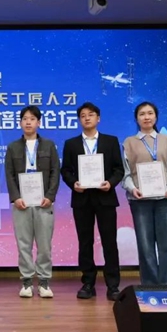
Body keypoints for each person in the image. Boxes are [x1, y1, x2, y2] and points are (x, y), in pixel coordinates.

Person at [60, 102, 123, 301]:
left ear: (98, 118)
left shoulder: (110, 141)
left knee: (109, 241)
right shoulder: (71, 144)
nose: (87, 118)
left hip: (105, 198)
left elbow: (119, 169)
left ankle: (113, 285)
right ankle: (88, 283)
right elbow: (66, 170)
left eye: (91, 114)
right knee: (85, 242)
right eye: (83, 115)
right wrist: (74, 183)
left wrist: (110, 183)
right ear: (79, 120)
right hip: (82, 199)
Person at [122, 102, 167, 286]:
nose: (146, 117)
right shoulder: (129, 142)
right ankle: (150, 286)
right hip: (140, 200)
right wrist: (133, 188)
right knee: (145, 246)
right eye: (142, 114)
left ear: (156, 117)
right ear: (136, 118)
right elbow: (126, 174)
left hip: (165, 199)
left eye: (150, 113)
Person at [4, 105, 59, 299]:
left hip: (44, 202)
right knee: (23, 244)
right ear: (20, 123)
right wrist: (16, 197)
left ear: (39, 122)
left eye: (32, 119)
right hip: (22, 203)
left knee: (44, 245)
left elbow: (55, 172)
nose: (28, 122)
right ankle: (26, 281)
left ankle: (44, 281)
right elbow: (9, 174)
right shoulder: (13, 147)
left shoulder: (49, 145)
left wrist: (50, 196)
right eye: (25, 119)